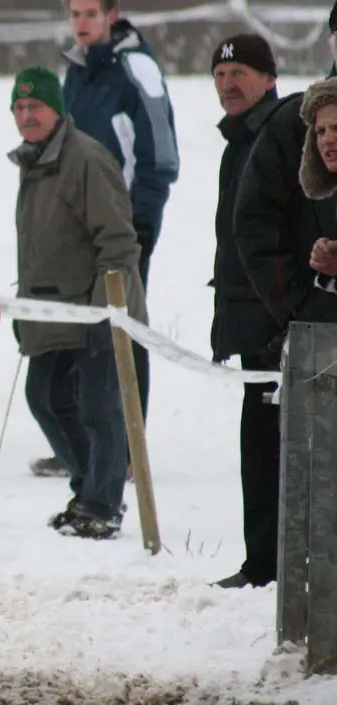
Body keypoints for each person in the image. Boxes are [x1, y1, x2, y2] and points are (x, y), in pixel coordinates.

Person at [9, 66, 147, 539]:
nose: (27, 115)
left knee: (97, 407)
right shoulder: (33, 161)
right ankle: (88, 488)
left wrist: (104, 312)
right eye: (20, 107)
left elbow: (118, 242)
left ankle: (103, 503)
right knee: (44, 397)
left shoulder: (87, 158)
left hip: (96, 309)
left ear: (57, 110)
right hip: (51, 309)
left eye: (36, 107)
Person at [227, 68, 337, 588]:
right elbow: (251, 222)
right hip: (305, 330)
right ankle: (279, 578)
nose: (328, 138)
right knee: (289, 462)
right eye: (320, 132)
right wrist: (301, 302)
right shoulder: (288, 123)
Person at [57, 0, 178, 450]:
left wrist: (142, 219)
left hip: (124, 224)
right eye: (74, 14)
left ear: (111, 15)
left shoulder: (137, 68)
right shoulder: (76, 69)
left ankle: (127, 447)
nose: (81, 22)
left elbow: (160, 155)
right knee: (79, 328)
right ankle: (87, 445)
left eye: (90, 13)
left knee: (122, 333)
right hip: (75, 225)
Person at [206, 35, 288, 590]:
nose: (229, 84)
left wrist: (284, 306)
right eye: (219, 74)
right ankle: (263, 562)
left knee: (283, 448)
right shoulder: (241, 138)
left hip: (279, 318)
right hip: (253, 318)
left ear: (267, 76)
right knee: (259, 445)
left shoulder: (280, 130)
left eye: (239, 72)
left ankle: (276, 563)